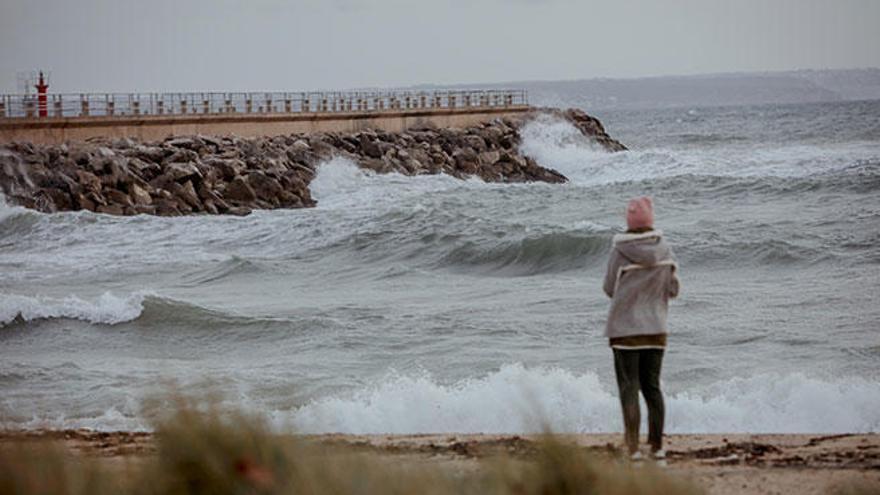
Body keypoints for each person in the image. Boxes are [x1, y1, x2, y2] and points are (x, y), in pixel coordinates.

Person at [603, 196, 679, 464]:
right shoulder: (666, 249)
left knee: (629, 387)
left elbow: (609, 288)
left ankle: (633, 449)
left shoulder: (619, 251)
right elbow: (673, 289)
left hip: (625, 331)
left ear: (629, 221)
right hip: (657, 328)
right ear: (651, 220)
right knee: (652, 387)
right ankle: (657, 447)